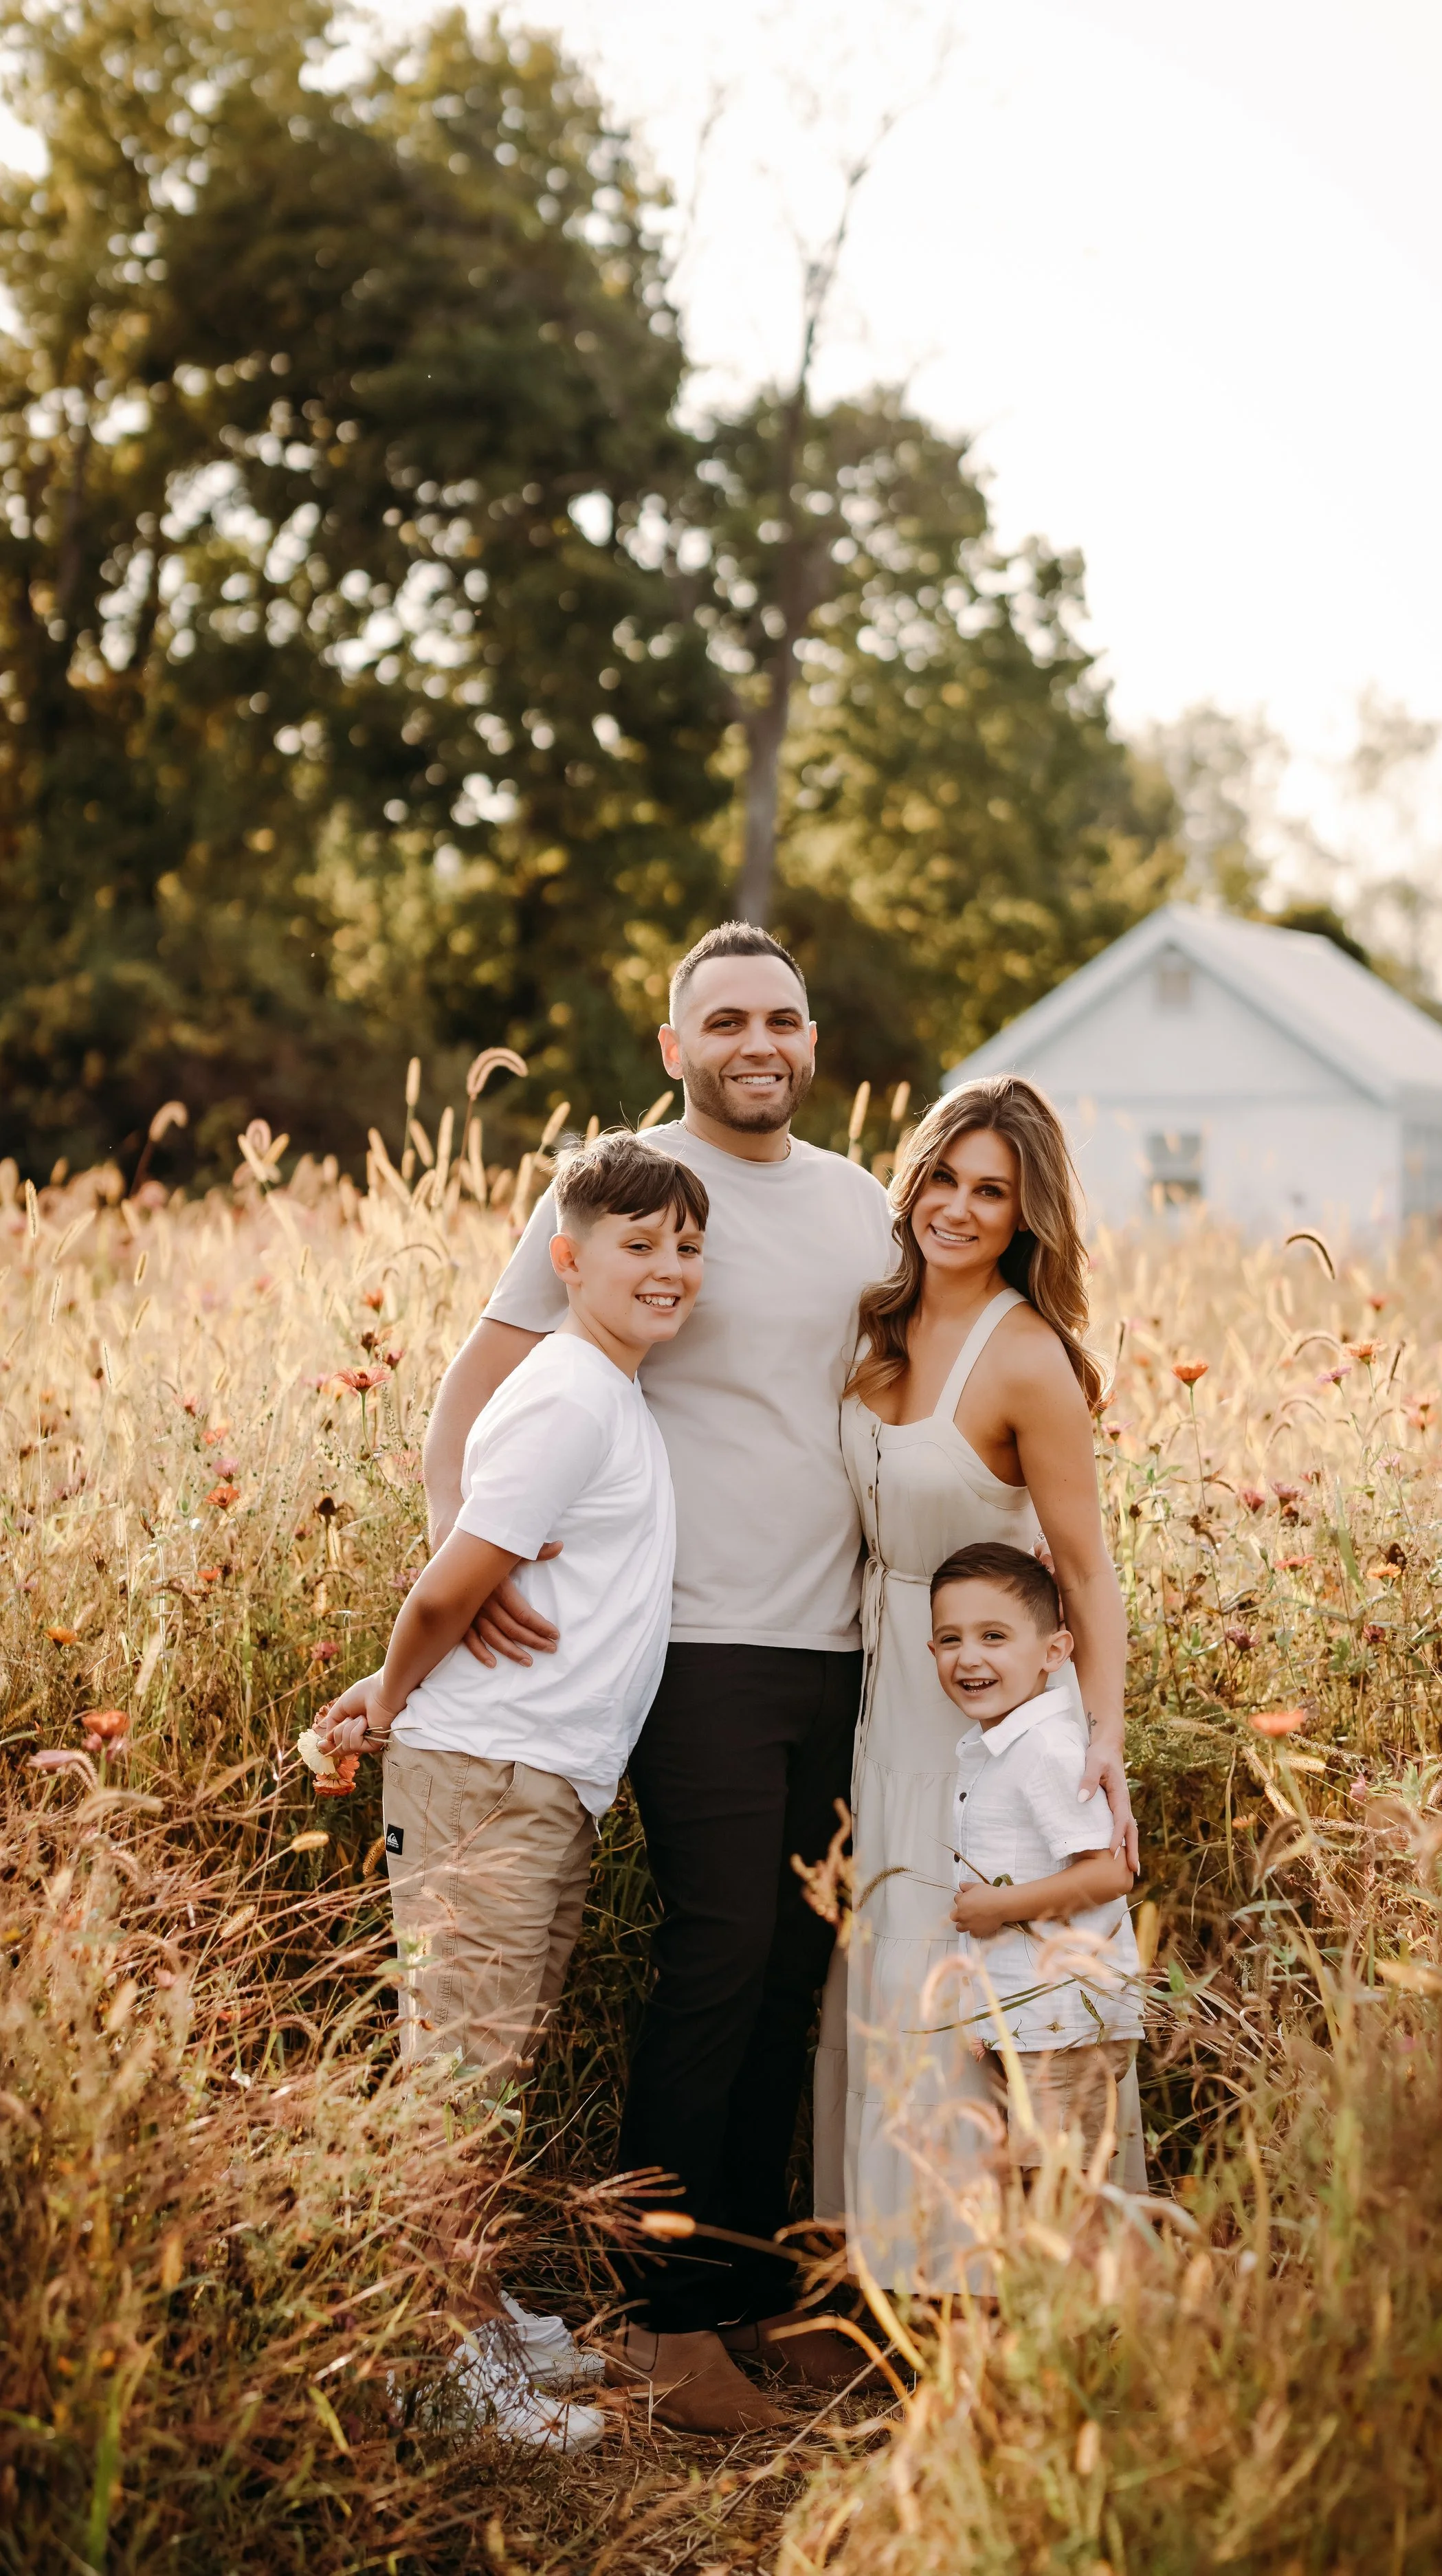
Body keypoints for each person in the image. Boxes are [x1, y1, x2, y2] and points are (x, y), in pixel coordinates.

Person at [421, 922, 896, 2435]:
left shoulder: (859, 1204)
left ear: (810, 1040)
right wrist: (463, 1556)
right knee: (714, 1956)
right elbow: (474, 1386)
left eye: (785, 1019)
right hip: (687, 1646)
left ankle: (753, 2297)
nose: (759, 1043)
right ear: (673, 1043)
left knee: (788, 1974)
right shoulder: (621, 1186)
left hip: (836, 1643)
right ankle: (658, 2323)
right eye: (727, 1021)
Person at [312, 1126, 707, 2448]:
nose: (667, 1267)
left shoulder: (611, 1391)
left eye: (686, 1245)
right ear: (568, 1257)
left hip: (543, 1776)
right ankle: (429, 2362)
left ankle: (468, 2310)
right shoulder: (565, 1391)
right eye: (638, 1244)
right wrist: (389, 1690)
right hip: (486, 1768)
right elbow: (448, 1583)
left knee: (496, 2061)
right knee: (460, 2075)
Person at [816, 1073, 1143, 2294]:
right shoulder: (876, 1323)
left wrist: (1099, 1738)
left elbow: (1088, 1572)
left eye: (990, 1191)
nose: (957, 1207)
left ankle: (977, 2282)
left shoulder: (1028, 1359)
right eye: (943, 1178)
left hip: (979, 1706)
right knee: (883, 1951)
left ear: (1026, 1214)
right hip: (874, 1677)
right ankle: (881, 2270)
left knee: (958, 1962)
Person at [931, 1541, 1144, 2172]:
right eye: (949, 1639)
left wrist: (999, 1907)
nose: (969, 1658)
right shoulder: (997, 1747)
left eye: (994, 1636)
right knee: (1039, 2189)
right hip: (1029, 2019)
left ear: (1055, 1651)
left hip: (1066, 2022)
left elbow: (1111, 1871)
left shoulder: (1047, 1751)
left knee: (1062, 2192)